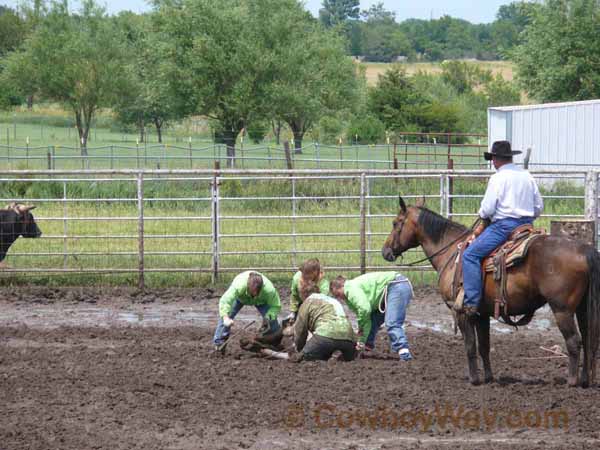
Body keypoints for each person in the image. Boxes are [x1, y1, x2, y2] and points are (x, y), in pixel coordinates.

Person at [461, 140, 544, 317]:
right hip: (527, 226)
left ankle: (472, 302)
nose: (492, 162)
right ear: (510, 157)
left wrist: (482, 214)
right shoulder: (526, 175)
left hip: (503, 227)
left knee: (470, 255)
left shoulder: (497, 178)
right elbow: (538, 207)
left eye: (492, 159)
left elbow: (488, 209)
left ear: (495, 159)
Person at [330, 272, 414, 361]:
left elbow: (364, 309)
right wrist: (361, 337)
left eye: (337, 294)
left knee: (392, 322)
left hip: (396, 284)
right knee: (372, 320)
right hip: (393, 287)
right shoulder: (352, 288)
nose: (339, 298)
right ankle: (366, 347)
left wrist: (361, 326)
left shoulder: (350, 288)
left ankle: (404, 354)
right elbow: (366, 318)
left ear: (341, 286)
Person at [213, 271, 281, 349]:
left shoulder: (269, 290)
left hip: (261, 301)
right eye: (252, 292)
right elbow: (225, 300)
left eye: (257, 292)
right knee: (226, 317)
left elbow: (276, 305)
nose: (255, 294)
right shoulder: (239, 285)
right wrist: (225, 318)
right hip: (240, 298)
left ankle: (271, 343)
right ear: (248, 286)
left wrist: (268, 317)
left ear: (261, 287)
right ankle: (219, 344)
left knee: (272, 322)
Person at [293, 291, 356, 362]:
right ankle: (336, 355)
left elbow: (300, 330)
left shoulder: (307, 302)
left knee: (304, 359)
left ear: (303, 295)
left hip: (325, 336)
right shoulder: (333, 301)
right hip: (349, 339)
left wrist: (300, 349)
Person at [287, 258, 329, 323]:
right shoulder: (297, 278)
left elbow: (323, 301)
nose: (304, 276)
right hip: (301, 302)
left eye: (307, 275)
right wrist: (293, 311)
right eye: (303, 274)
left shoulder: (323, 284)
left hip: (317, 304)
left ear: (315, 273)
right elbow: (294, 295)